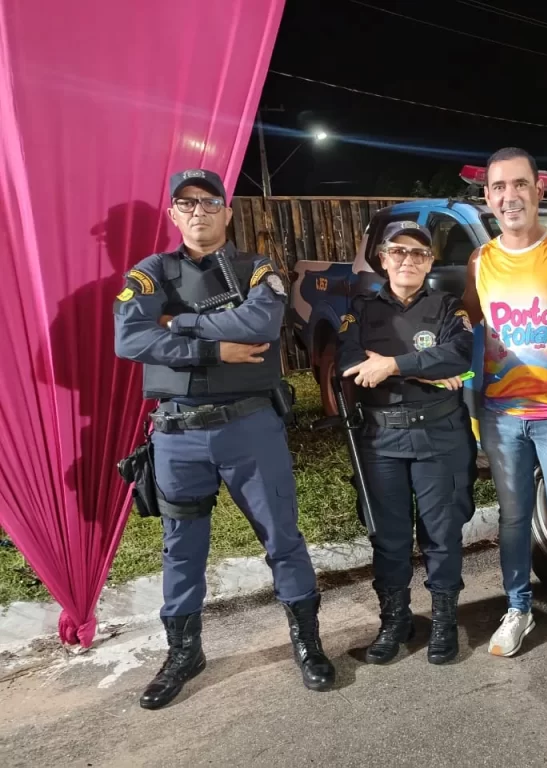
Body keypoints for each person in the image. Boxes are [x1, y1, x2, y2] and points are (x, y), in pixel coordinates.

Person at [113, 169, 335, 709]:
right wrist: (212, 347)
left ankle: (308, 643)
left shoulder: (255, 269)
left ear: (226, 211)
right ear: (173, 214)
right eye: (186, 205)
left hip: (249, 429)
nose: (198, 212)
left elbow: (260, 324)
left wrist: (174, 324)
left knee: (282, 537)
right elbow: (127, 337)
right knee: (181, 550)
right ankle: (184, 653)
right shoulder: (151, 273)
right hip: (178, 436)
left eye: (209, 202)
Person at [461, 147, 547, 664]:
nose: (509, 195)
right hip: (501, 414)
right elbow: (474, 333)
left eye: (519, 184)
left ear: (539, 190)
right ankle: (518, 608)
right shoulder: (480, 261)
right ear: (488, 197)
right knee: (513, 519)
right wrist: (468, 393)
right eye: (498, 187)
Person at [338, 221, 476, 666]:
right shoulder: (359, 310)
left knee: (442, 534)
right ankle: (395, 621)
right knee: (390, 538)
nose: (407, 260)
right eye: (398, 251)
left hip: (439, 435)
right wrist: (423, 369)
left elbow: (459, 356)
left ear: (430, 262)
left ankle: (443, 621)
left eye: (418, 254)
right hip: (380, 438)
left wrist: (393, 365)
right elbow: (348, 362)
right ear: (382, 258)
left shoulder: (448, 306)